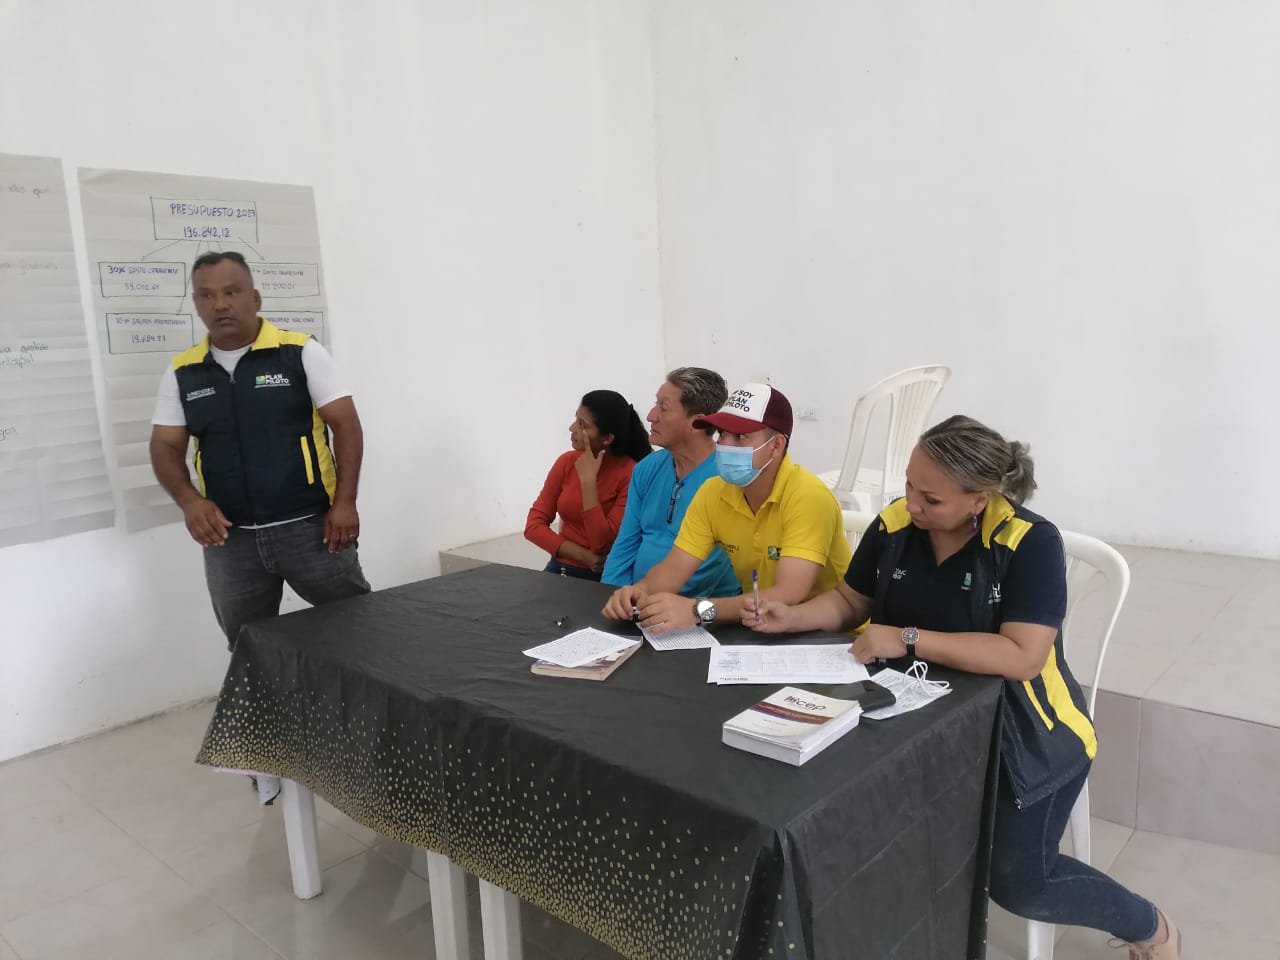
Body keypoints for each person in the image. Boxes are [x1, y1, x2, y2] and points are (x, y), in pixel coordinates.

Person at [744, 415, 1181, 959]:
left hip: (1027, 734)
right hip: (917, 719)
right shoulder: (896, 525)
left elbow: (1022, 656)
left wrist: (907, 638)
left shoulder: (1028, 542)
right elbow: (851, 602)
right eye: (909, 485)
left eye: (931, 498)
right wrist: (795, 615)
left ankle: (1151, 926)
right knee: (851, 816)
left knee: (1020, 881)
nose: (911, 503)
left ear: (980, 499)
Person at [149, 250, 370, 805]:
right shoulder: (184, 372)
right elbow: (165, 447)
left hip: (312, 529)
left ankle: (372, 745)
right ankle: (269, 762)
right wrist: (189, 501)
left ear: (255, 297)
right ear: (196, 303)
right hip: (231, 542)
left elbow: (345, 425)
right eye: (207, 295)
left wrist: (345, 502)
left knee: (358, 632)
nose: (220, 304)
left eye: (231, 291)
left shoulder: (299, 352)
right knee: (249, 650)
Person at [602, 382, 850, 632]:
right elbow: (674, 567)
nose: (726, 445)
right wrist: (639, 591)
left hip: (829, 636)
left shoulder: (807, 496)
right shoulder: (713, 492)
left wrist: (697, 610)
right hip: (760, 630)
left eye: (740, 437)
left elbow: (788, 594)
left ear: (776, 446)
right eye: (722, 434)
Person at [601, 367, 740, 599]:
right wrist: (609, 595)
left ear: (697, 423)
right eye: (655, 404)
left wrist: (641, 601)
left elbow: (710, 567)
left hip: (699, 608)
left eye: (663, 408)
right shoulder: (647, 468)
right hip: (637, 601)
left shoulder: (728, 480)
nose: (650, 416)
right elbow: (625, 544)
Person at [525, 390, 651, 580]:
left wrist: (588, 483)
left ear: (607, 438)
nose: (572, 428)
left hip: (603, 577)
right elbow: (533, 526)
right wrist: (584, 556)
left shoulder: (631, 473)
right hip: (559, 568)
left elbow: (601, 544)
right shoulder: (567, 462)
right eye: (575, 419)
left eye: (582, 425)